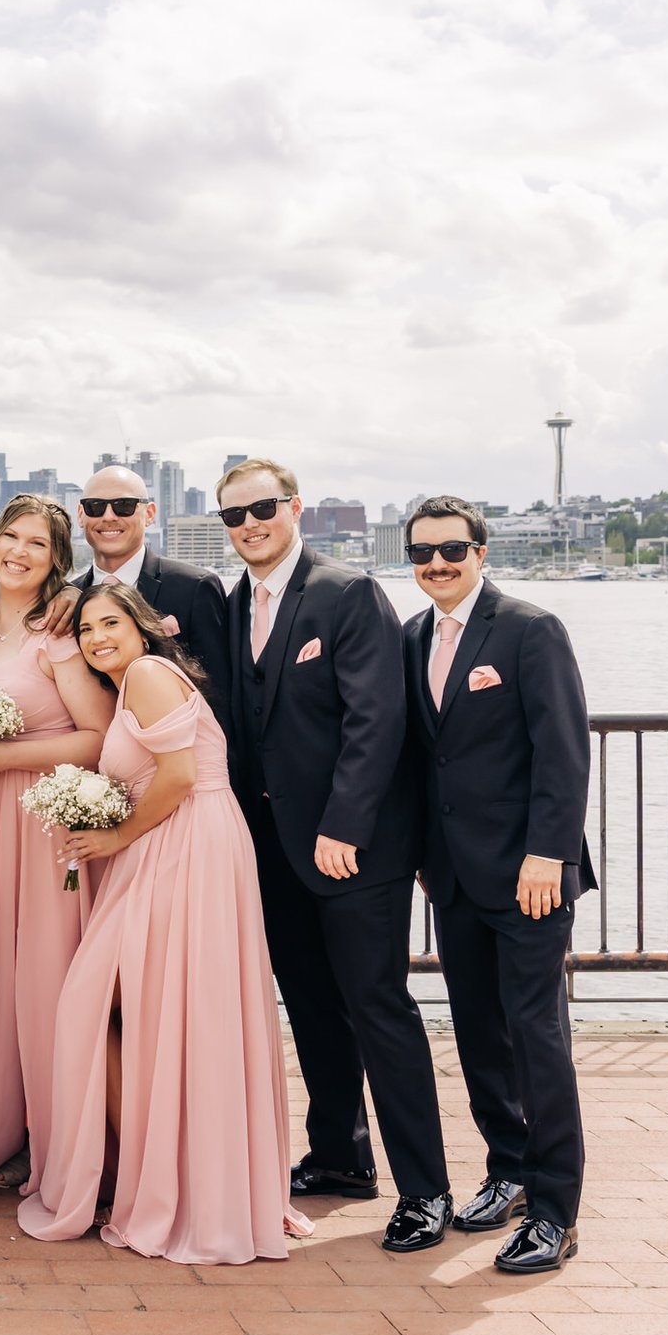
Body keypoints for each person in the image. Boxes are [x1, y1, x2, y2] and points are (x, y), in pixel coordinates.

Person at [17, 585, 309, 1262]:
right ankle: (163, 1174)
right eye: (86, 630)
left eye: (110, 623)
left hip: (188, 846)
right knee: (152, 1014)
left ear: (141, 627)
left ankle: (171, 1184)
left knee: (107, 1004)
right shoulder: (132, 685)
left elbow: (178, 776)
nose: (97, 638)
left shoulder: (148, 673)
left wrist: (116, 836)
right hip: (168, 844)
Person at [218, 457, 452, 1253]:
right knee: (312, 1007)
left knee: (378, 1009)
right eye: (234, 516)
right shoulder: (233, 603)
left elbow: (375, 720)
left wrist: (345, 826)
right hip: (272, 849)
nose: (250, 525)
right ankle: (341, 1157)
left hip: (354, 850)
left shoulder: (348, 593)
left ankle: (425, 1190)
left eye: (262, 509)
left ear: (295, 509)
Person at [401, 495, 594, 1274]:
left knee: (537, 1037)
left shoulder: (529, 630)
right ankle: (508, 1170)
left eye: (452, 549)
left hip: (528, 875)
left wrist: (549, 854)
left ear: (480, 552)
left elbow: (563, 750)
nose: (437, 563)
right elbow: (425, 761)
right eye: (422, 553)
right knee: (479, 1031)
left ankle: (555, 1212)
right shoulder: (412, 637)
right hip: (453, 875)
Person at [0, 494, 112, 1193]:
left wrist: (3, 757)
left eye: (39, 544)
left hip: (38, 822)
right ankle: (0, 1129)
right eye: (13, 537)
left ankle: (59, 1141)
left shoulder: (58, 634)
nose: (21, 552)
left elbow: (98, 737)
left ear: (57, 561)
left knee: (42, 977)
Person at [72, 463, 233, 728]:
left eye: (124, 505)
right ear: (81, 515)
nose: (109, 516)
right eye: (95, 506)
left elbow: (219, 693)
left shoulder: (195, 587)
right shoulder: (68, 597)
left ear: (149, 514)